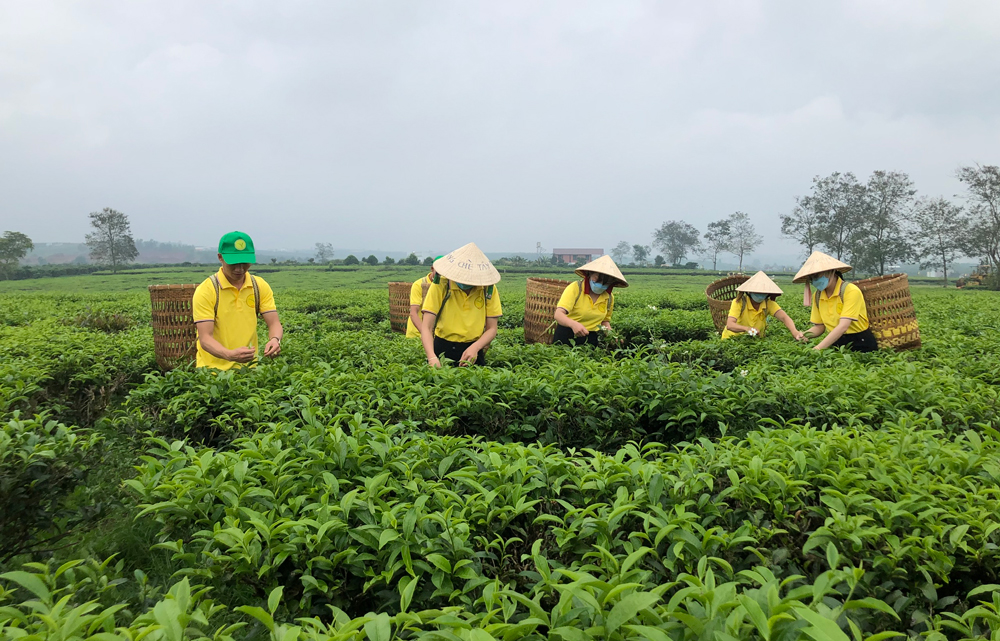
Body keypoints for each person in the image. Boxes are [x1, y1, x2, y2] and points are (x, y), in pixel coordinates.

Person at [192, 231, 283, 369]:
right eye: (233, 263)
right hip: (212, 374)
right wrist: (229, 355)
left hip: (250, 370)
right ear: (220, 257)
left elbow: (274, 323)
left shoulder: (259, 286)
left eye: (244, 263)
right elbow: (205, 338)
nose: (240, 269)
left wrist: (275, 340)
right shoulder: (207, 290)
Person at [420, 243, 502, 367]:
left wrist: (475, 347)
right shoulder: (441, 285)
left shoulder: (487, 288)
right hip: (442, 348)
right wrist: (432, 357)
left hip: (473, 349)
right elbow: (426, 327)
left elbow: (492, 328)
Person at [793, 251, 877, 352]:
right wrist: (804, 335)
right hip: (836, 342)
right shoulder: (818, 295)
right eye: (812, 278)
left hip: (860, 343)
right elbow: (820, 327)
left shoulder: (850, 291)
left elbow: (843, 326)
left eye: (817, 275)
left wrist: (817, 348)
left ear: (831, 271)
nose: (815, 280)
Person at [553, 255, 627, 346]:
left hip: (590, 339)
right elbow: (558, 314)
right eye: (597, 279)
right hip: (567, 334)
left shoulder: (609, 297)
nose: (601, 284)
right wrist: (573, 324)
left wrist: (612, 335)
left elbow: (604, 322)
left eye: (606, 282)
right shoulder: (576, 288)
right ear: (589, 274)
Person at [721, 271, 803, 341]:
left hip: (754, 341)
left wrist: (794, 332)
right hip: (732, 339)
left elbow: (784, 318)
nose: (760, 294)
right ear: (749, 291)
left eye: (763, 292)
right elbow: (730, 325)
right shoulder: (739, 302)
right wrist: (747, 329)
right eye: (757, 291)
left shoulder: (768, 303)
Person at [405, 256, 442, 339]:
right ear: (432, 269)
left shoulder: (446, 285)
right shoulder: (419, 284)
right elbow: (413, 312)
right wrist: (426, 334)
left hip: (437, 335)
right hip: (416, 334)